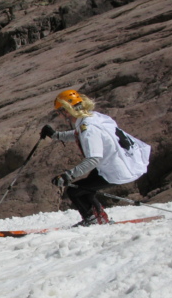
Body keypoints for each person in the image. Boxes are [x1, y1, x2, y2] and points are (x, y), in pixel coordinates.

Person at [41, 89, 151, 226]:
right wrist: (56, 135)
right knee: (84, 188)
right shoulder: (94, 117)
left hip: (115, 170)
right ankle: (98, 217)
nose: (59, 116)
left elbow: (93, 159)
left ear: (66, 111)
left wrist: (68, 175)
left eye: (59, 112)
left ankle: (93, 220)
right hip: (127, 161)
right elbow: (79, 133)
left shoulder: (88, 128)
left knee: (74, 191)